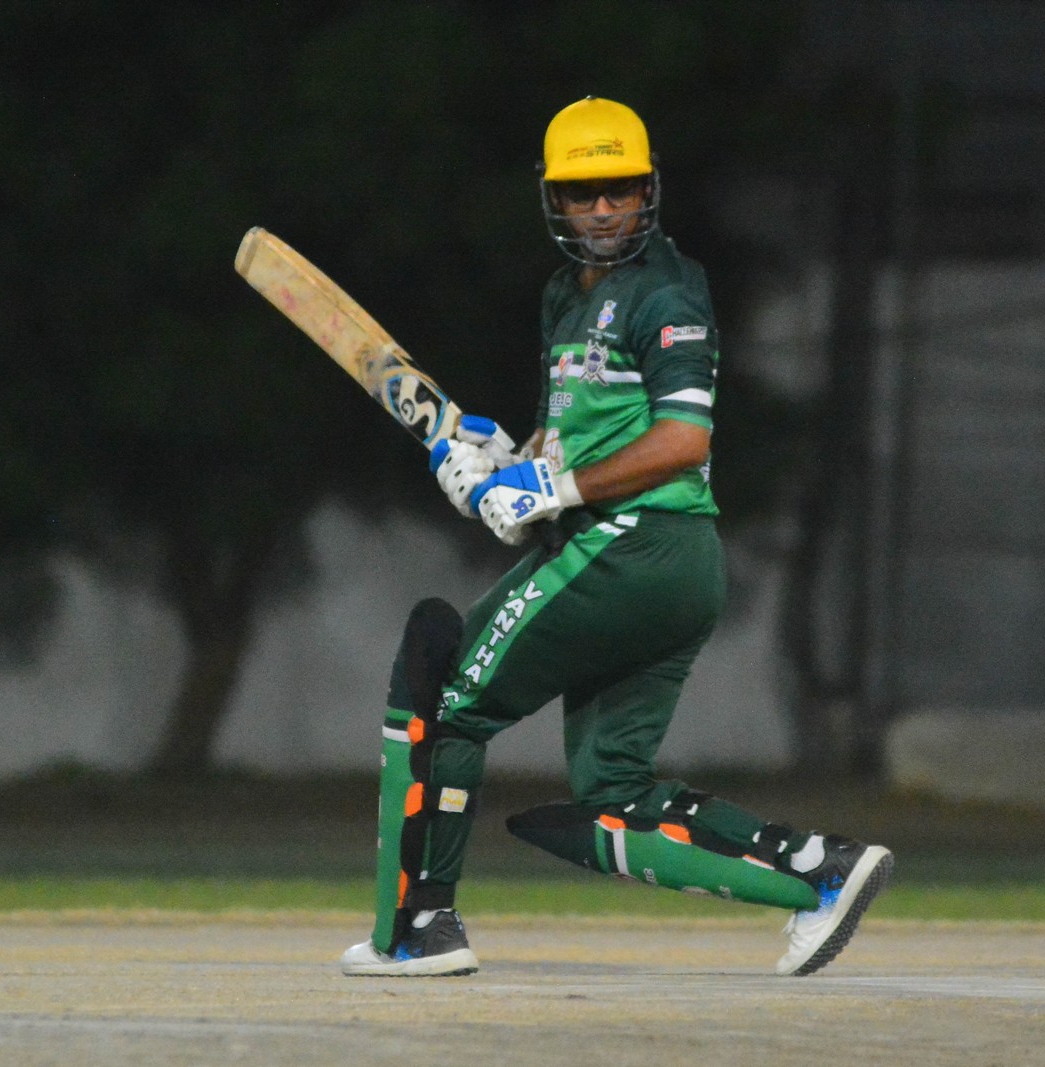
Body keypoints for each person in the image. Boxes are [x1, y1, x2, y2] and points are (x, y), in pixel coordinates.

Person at [339, 97, 892, 979]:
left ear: (648, 190)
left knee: (444, 701)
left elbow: (683, 440)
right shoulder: (565, 296)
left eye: (620, 189)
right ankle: (821, 871)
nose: (602, 209)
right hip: (662, 562)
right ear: (553, 198)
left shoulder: (665, 290)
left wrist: (550, 488)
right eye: (582, 192)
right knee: (613, 791)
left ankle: (419, 927)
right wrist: (496, 463)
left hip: (637, 543)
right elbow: (569, 447)